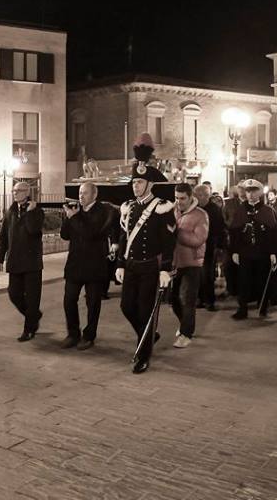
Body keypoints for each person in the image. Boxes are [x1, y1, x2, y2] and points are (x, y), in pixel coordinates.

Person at [115, 133, 176, 374]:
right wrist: (120, 263)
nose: (135, 186)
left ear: (149, 184)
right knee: (126, 307)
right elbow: (123, 237)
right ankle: (149, 334)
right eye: (133, 183)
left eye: (139, 183)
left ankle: (143, 354)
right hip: (131, 266)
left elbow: (169, 241)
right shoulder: (129, 208)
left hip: (151, 266)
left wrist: (165, 269)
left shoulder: (161, 208)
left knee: (144, 309)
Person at [59, 182, 117, 350]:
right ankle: (72, 333)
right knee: (69, 299)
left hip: (94, 265)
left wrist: (74, 217)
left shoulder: (103, 212)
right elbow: (65, 235)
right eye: (79, 193)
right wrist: (68, 218)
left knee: (93, 303)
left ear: (94, 195)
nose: (81, 196)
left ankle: (89, 336)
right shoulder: (75, 211)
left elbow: (91, 233)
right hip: (75, 264)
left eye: (84, 193)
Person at [0, 181, 45, 341]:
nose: (15, 193)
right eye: (14, 190)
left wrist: (30, 212)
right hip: (15, 261)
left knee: (32, 298)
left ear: (27, 192)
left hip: (32, 262)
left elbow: (33, 230)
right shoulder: (10, 211)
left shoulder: (37, 211)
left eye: (18, 190)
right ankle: (34, 316)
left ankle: (29, 329)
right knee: (14, 294)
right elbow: (3, 236)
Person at [230, 179, 277, 319]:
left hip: (262, 251)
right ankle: (242, 308)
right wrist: (234, 251)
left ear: (259, 192)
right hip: (245, 251)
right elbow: (234, 233)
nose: (250, 194)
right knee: (243, 281)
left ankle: (263, 306)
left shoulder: (267, 211)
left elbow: (273, 234)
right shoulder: (240, 211)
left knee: (262, 279)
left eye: (253, 191)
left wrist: (272, 252)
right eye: (248, 191)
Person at [171, 183, 208, 348]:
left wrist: (177, 232)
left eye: (182, 198)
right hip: (175, 263)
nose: (179, 202)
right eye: (177, 198)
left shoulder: (201, 215)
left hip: (193, 263)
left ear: (190, 196)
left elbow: (198, 240)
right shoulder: (173, 211)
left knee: (188, 299)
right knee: (173, 299)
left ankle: (186, 333)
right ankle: (184, 323)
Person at [194, 184, 224, 310]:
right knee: (197, 274)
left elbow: (219, 229)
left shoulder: (214, 209)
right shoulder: (194, 208)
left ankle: (209, 301)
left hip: (209, 246)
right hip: (195, 246)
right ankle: (200, 299)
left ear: (204, 196)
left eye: (197, 195)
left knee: (207, 274)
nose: (195, 198)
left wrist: (220, 245)